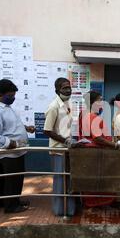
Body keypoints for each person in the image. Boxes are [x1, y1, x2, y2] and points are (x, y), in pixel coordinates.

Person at [0, 79, 36, 214]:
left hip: (18, 151)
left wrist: (26, 128)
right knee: (11, 180)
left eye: (14, 95)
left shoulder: (7, 108)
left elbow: (10, 126)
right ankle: (10, 206)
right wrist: (10, 143)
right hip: (8, 153)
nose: (13, 98)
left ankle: (16, 200)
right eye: (10, 96)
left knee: (18, 178)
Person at [78, 91, 120, 207]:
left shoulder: (83, 114)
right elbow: (98, 139)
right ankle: (94, 205)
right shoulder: (92, 117)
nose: (102, 103)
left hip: (90, 154)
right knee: (98, 181)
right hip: (96, 154)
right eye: (99, 100)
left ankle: (90, 203)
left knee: (91, 181)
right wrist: (115, 146)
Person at [43, 77, 76, 217]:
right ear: (57, 90)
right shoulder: (53, 107)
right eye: (64, 88)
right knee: (60, 181)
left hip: (68, 148)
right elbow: (47, 130)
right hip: (59, 150)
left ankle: (70, 209)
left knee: (69, 180)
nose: (68, 90)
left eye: (69, 87)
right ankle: (59, 210)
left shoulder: (68, 104)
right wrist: (65, 140)